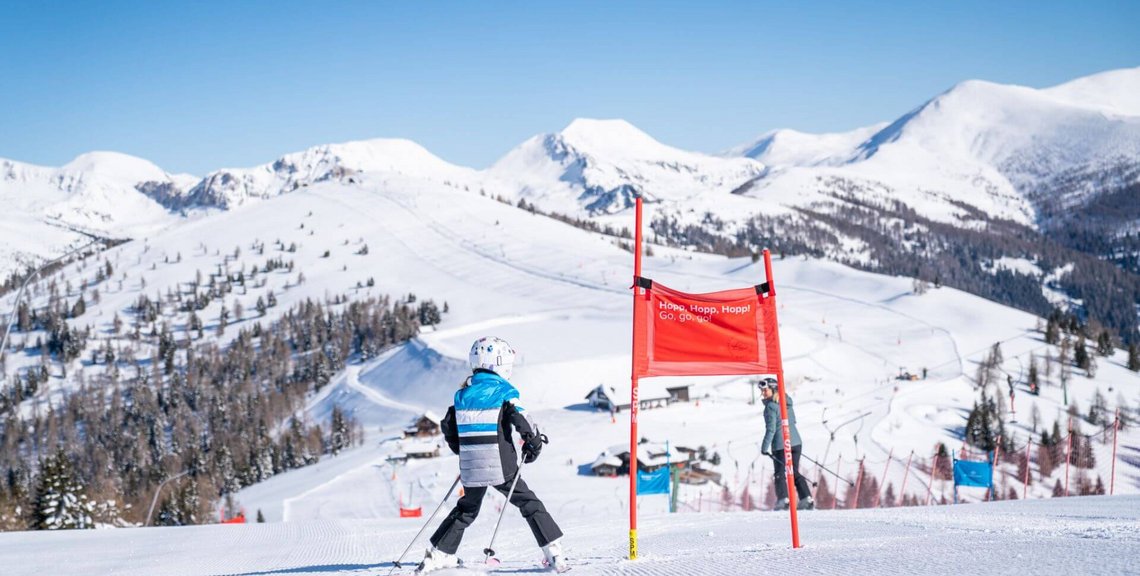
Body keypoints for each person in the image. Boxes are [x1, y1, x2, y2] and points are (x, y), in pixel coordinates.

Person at [416, 336, 568, 574]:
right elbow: (522, 418)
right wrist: (533, 443)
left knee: (466, 509)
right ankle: (553, 552)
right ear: (498, 364)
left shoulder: (462, 396)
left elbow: (448, 426)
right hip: (501, 464)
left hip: (471, 463)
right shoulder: (504, 391)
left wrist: (463, 450)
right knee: (528, 502)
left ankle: (437, 555)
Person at [759, 378, 814, 511]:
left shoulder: (770, 407)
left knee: (779, 473)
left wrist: (764, 447)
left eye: (765, 390)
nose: (763, 393)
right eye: (762, 390)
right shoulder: (786, 402)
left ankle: (783, 500)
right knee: (793, 471)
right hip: (795, 443)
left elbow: (771, 429)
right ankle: (806, 498)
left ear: (773, 389)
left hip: (780, 444)